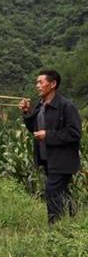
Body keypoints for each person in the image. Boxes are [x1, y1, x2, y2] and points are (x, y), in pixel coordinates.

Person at [19, 69, 82, 224]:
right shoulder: (41, 106)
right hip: (48, 159)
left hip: (62, 160)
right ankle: (74, 222)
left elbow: (74, 133)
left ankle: (55, 228)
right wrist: (27, 113)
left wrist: (48, 135)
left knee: (52, 191)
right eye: (37, 82)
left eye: (41, 82)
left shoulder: (66, 106)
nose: (37, 85)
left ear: (53, 84)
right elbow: (34, 129)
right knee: (62, 193)